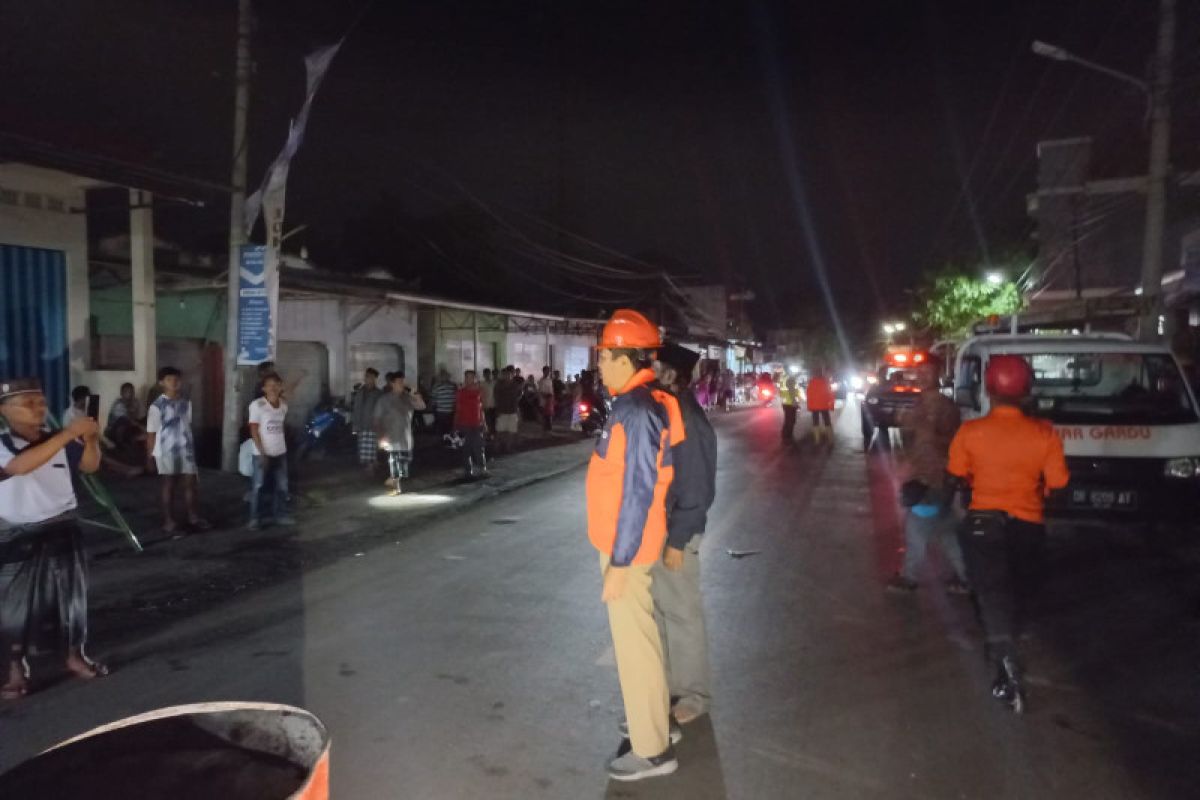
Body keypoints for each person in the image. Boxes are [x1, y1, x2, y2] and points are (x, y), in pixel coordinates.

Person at [587, 309, 685, 782]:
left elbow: (637, 490)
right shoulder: (637, 402)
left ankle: (651, 750)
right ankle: (655, 724)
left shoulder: (638, 409)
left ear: (625, 359)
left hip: (627, 548)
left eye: (604, 356)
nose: (599, 364)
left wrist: (619, 563)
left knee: (636, 648)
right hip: (631, 544)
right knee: (641, 643)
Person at [947, 355, 1069, 714]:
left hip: (983, 525)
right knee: (1018, 590)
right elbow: (1059, 482)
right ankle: (1008, 644)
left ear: (988, 388)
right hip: (1027, 526)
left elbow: (955, 476)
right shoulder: (1044, 432)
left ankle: (1004, 659)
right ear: (1026, 391)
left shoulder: (970, 432)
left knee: (990, 594)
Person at [0, 377, 110, 699]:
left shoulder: (59, 440)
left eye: (41, 401)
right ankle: (15, 669)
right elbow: (19, 467)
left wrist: (90, 440)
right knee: (14, 608)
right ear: (5, 410)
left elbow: (90, 467)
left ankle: (74, 656)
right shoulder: (4, 443)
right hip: (19, 533)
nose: (39, 408)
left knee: (71, 601)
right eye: (28, 403)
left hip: (63, 527)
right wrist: (69, 434)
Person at [651, 343, 717, 727]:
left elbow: (696, 486)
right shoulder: (669, 410)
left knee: (682, 614)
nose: (652, 372)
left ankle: (693, 695)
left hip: (677, 532)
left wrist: (677, 539)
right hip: (661, 528)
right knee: (664, 611)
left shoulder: (687, 418)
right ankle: (672, 688)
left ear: (673, 375)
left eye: (658, 367)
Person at [888, 359, 969, 595]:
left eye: (927, 373)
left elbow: (949, 440)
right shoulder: (922, 403)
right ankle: (966, 577)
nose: (921, 377)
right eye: (919, 373)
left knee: (916, 528)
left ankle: (909, 577)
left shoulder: (942, 406)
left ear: (939, 375)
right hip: (931, 476)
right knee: (946, 529)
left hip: (931, 477)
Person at [146, 367, 210, 534]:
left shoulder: (185, 402)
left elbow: (186, 426)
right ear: (161, 383)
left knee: (190, 484)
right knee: (169, 485)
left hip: (186, 450)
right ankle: (169, 520)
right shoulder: (157, 406)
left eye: (176, 379)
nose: (173, 382)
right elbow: (151, 433)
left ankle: (193, 517)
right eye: (169, 379)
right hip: (166, 451)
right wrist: (150, 456)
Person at [247, 373, 294, 530]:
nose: (273, 388)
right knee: (258, 486)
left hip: (280, 452)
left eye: (276, 385)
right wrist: (262, 453)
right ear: (263, 388)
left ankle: (280, 515)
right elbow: (254, 430)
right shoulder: (257, 405)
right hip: (262, 453)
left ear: (280, 387)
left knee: (282, 486)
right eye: (269, 385)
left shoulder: (283, 405)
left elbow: (281, 427)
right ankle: (255, 518)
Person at [374, 372, 425, 496]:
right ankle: (395, 485)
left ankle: (393, 480)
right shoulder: (384, 399)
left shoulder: (407, 397)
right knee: (394, 461)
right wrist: (381, 436)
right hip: (391, 435)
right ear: (392, 384)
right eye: (399, 382)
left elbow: (422, 406)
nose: (402, 384)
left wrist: (416, 395)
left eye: (403, 382)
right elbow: (377, 418)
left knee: (405, 461)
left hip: (406, 436)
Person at [454, 371, 487, 478]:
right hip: (464, 424)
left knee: (478, 447)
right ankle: (468, 471)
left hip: (477, 424)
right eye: (466, 377)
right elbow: (457, 409)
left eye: (471, 377)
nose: (468, 380)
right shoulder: (460, 392)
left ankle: (482, 469)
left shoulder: (479, 392)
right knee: (466, 448)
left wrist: (484, 422)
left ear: (474, 379)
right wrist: (455, 424)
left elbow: (481, 408)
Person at [351, 368, 383, 475]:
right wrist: (355, 424)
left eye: (369, 377)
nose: (367, 378)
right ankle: (372, 464)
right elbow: (356, 408)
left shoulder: (378, 393)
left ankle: (371, 466)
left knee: (372, 446)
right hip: (362, 423)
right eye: (366, 376)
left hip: (373, 424)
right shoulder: (360, 392)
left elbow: (381, 410)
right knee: (364, 446)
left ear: (374, 378)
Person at [493, 366, 522, 454]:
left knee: (511, 431)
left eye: (510, 374)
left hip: (512, 410)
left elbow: (518, 396)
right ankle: (496, 448)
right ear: (503, 375)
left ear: (512, 375)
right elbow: (496, 398)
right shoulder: (499, 385)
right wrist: (497, 410)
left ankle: (507, 448)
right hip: (502, 411)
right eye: (506, 374)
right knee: (499, 431)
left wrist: (517, 410)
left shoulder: (515, 385)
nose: (508, 376)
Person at [806, 368, 835, 445]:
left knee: (815, 422)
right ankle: (831, 439)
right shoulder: (826, 382)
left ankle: (817, 440)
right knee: (827, 421)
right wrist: (831, 406)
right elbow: (831, 394)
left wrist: (809, 406)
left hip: (814, 406)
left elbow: (809, 395)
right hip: (824, 405)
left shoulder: (811, 382)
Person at [431, 370, 458, 437]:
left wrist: (433, 408)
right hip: (451, 411)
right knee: (449, 429)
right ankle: (448, 442)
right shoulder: (453, 386)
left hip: (440, 412)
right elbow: (456, 398)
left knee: (440, 429)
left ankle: (440, 442)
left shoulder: (437, 386)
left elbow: (434, 399)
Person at [779, 377, 802, 442]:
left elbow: (781, 395)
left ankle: (786, 435)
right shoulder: (793, 389)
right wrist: (797, 405)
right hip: (791, 406)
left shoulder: (784, 390)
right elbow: (795, 398)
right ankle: (788, 435)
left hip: (786, 406)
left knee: (788, 420)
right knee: (791, 421)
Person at [480, 368, 498, 440]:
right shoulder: (481, 384)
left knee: (494, 421)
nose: (487, 375)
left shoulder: (494, 383)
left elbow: (497, 394)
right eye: (486, 374)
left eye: (488, 374)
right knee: (487, 422)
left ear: (490, 374)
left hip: (494, 405)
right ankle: (489, 436)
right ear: (483, 375)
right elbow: (480, 395)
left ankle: (493, 435)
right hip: (486, 406)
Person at [537, 366, 555, 432]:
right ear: (543, 371)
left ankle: (548, 429)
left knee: (549, 415)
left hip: (550, 400)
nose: (548, 372)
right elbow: (540, 391)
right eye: (546, 371)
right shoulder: (541, 381)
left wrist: (552, 398)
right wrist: (546, 396)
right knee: (544, 415)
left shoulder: (549, 380)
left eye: (548, 371)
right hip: (543, 401)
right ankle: (544, 429)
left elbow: (551, 390)